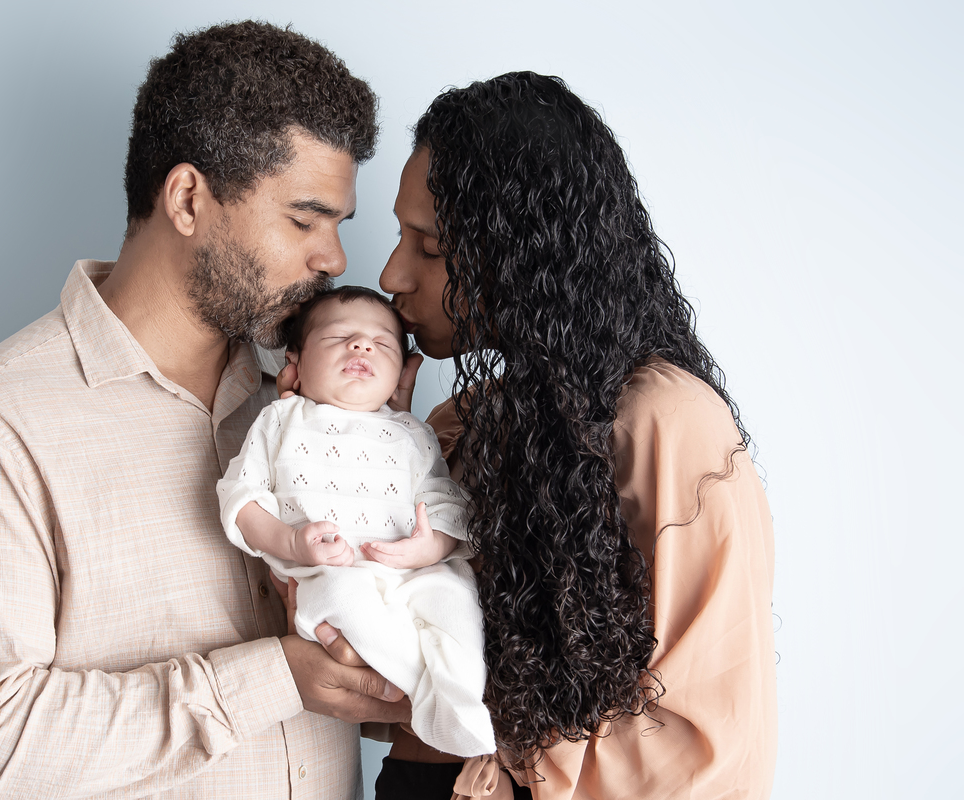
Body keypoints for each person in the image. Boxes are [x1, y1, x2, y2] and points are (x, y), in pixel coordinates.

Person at [0, 21, 410, 800]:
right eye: (305, 220)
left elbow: (364, 689)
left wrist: (394, 489)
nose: (333, 259)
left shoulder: (301, 406)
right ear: (188, 199)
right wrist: (273, 678)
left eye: (338, 226)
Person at [288, 72, 777, 799]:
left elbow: (708, 745)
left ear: (525, 254)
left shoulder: (666, 422)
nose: (391, 275)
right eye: (400, 237)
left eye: (432, 246)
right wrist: (336, 443)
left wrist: (484, 720)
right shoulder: (459, 424)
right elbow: (383, 667)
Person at [217, 286, 496, 758]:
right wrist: (291, 542)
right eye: (338, 337)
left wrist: (429, 547)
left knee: (456, 598)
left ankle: (462, 698)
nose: (362, 345)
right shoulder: (281, 418)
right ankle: (425, 694)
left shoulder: (412, 432)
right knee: (346, 603)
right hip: (334, 573)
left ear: (398, 373)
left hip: (416, 571)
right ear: (295, 361)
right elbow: (242, 499)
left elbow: (445, 504)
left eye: (382, 343)